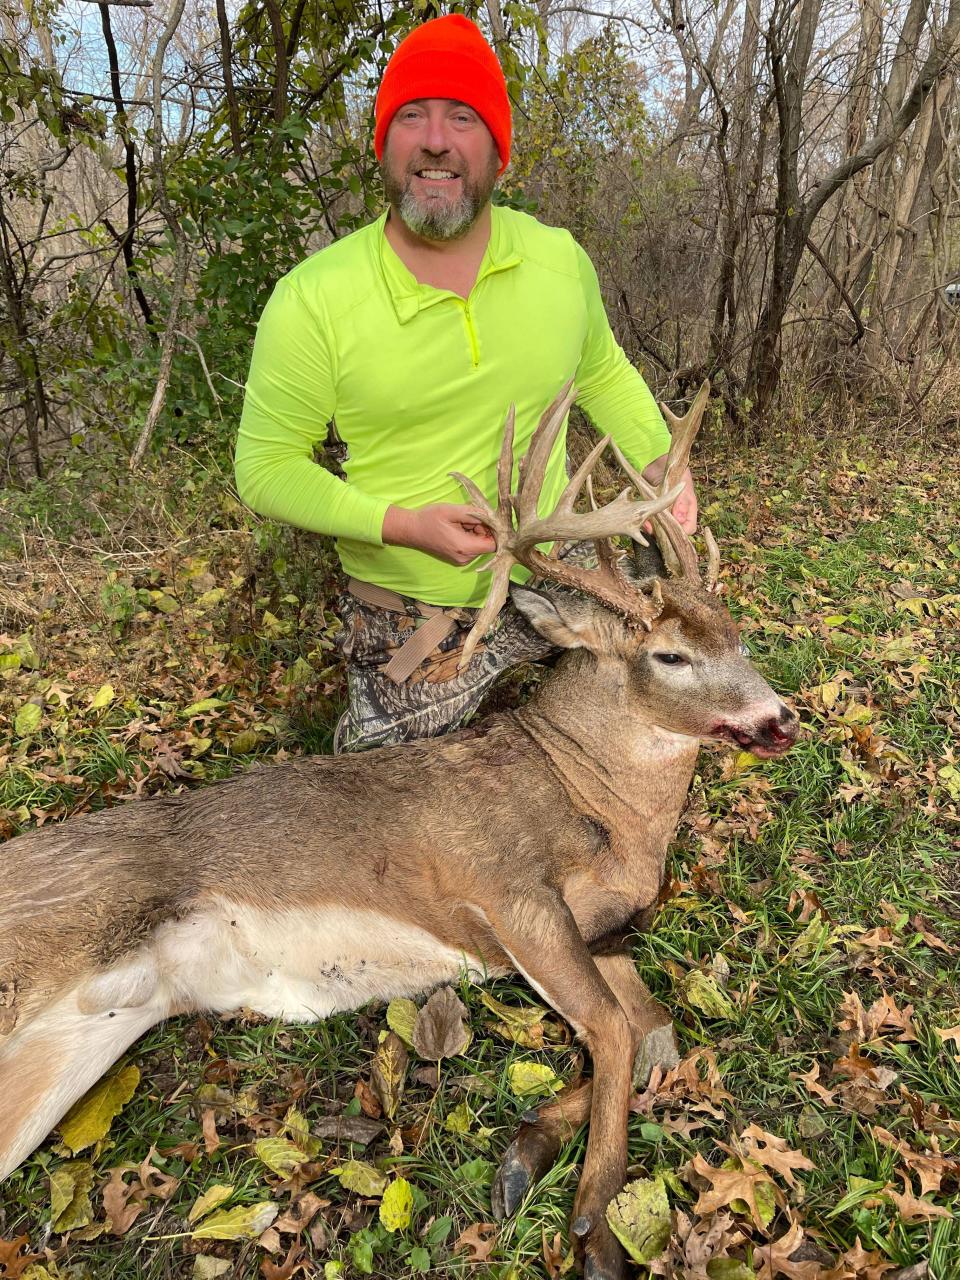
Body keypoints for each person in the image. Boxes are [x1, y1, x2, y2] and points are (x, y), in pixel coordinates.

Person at [235, 13, 698, 752]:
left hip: (555, 563)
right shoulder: (313, 299)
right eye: (411, 116)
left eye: (463, 117)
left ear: (497, 151)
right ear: (385, 146)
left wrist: (659, 468)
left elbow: (601, 369)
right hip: (419, 599)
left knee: (684, 615)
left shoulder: (556, 260)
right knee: (381, 814)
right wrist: (404, 525)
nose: (437, 140)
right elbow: (263, 469)